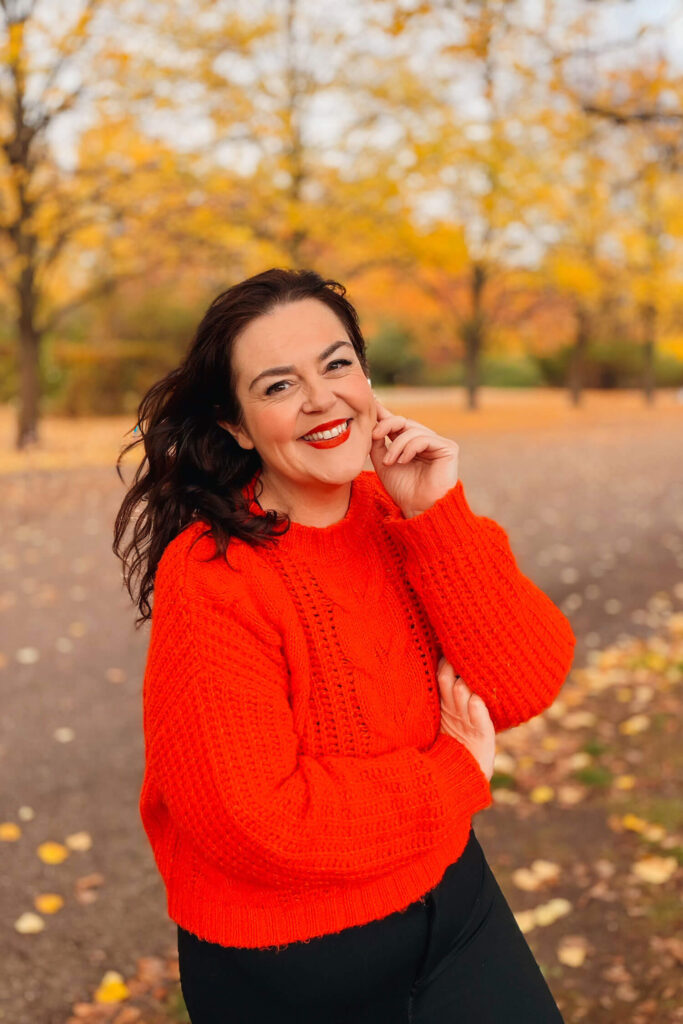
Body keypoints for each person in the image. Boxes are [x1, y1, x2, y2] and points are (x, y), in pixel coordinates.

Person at [113, 267, 576, 1023]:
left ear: (365, 377)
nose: (321, 397)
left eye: (336, 364)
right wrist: (451, 774)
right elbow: (255, 823)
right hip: (295, 965)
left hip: (453, 903)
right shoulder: (213, 574)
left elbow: (525, 681)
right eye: (276, 385)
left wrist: (436, 515)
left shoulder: (397, 512)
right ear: (234, 425)